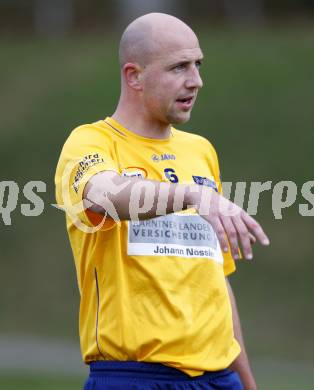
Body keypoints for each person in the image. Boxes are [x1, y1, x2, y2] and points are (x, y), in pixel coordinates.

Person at [55, 12, 269, 390]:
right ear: (134, 75)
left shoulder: (201, 151)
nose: (196, 80)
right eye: (179, 67)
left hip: (220, 379)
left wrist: (247, 382)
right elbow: (107, 195)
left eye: (198, 64)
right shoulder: (91, 143)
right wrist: (192, 195)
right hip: (134, 376)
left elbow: (216, 282)